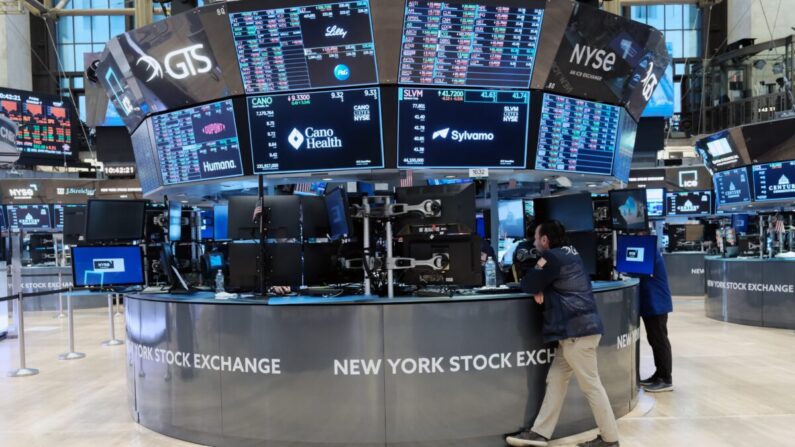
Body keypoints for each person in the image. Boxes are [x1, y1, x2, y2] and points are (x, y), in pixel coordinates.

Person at [506, 221, 619, 447]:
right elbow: (558, 284)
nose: (535, 242)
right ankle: (540, 433)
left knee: (591, 386)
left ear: (545, 240)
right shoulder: (571, 253)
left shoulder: (552, 258)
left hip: (576, 333)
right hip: (575, 332)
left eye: (537, 238)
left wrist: (538, 286)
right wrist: (544, 288)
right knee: (556, 381)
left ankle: (610, 439)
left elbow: (527, 283)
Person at [638, 246, 674, 393]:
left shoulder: (650, 252)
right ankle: (659, 374)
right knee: (654, 340)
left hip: (657, 304)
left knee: (660, 340)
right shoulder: (648, 251)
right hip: (650, 304)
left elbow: (637, 271)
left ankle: (666, 379)